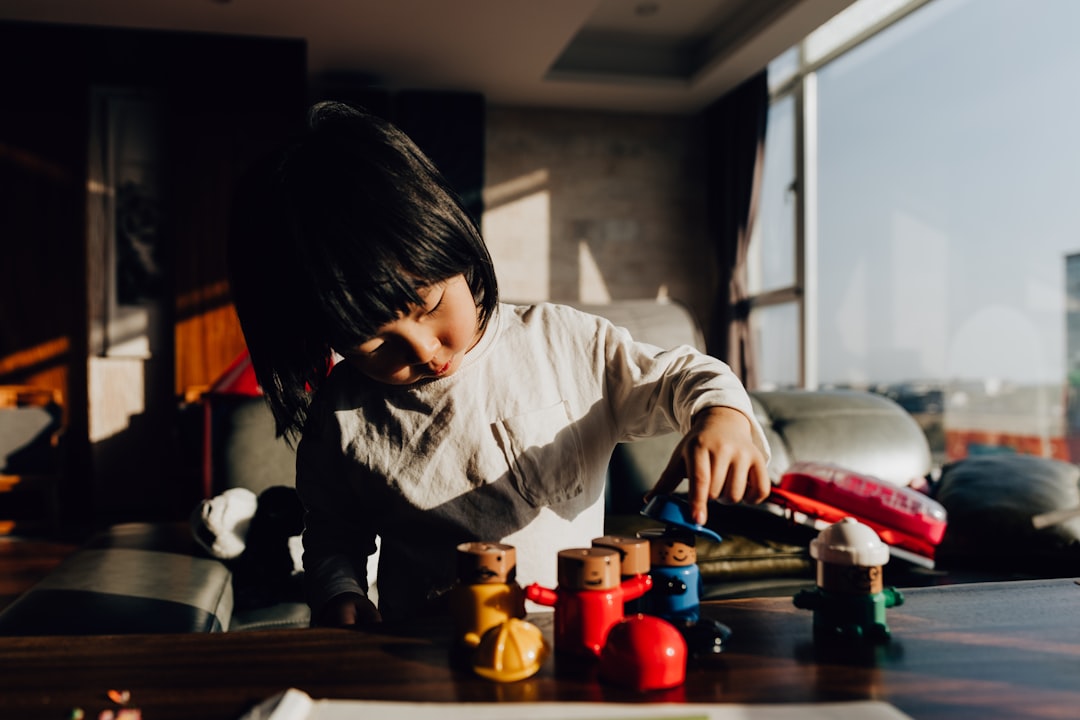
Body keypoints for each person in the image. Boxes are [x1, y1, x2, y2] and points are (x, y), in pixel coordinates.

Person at [227, 100, 772, 628]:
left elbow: (679, 375)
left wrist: (721, 415)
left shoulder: (563, 343)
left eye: (430, 305)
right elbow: (331, 533)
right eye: (375, 346)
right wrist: (338, 592)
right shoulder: (342, 413)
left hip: (572, 641)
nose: (422, 349)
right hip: (422, 658)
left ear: (456, 247)